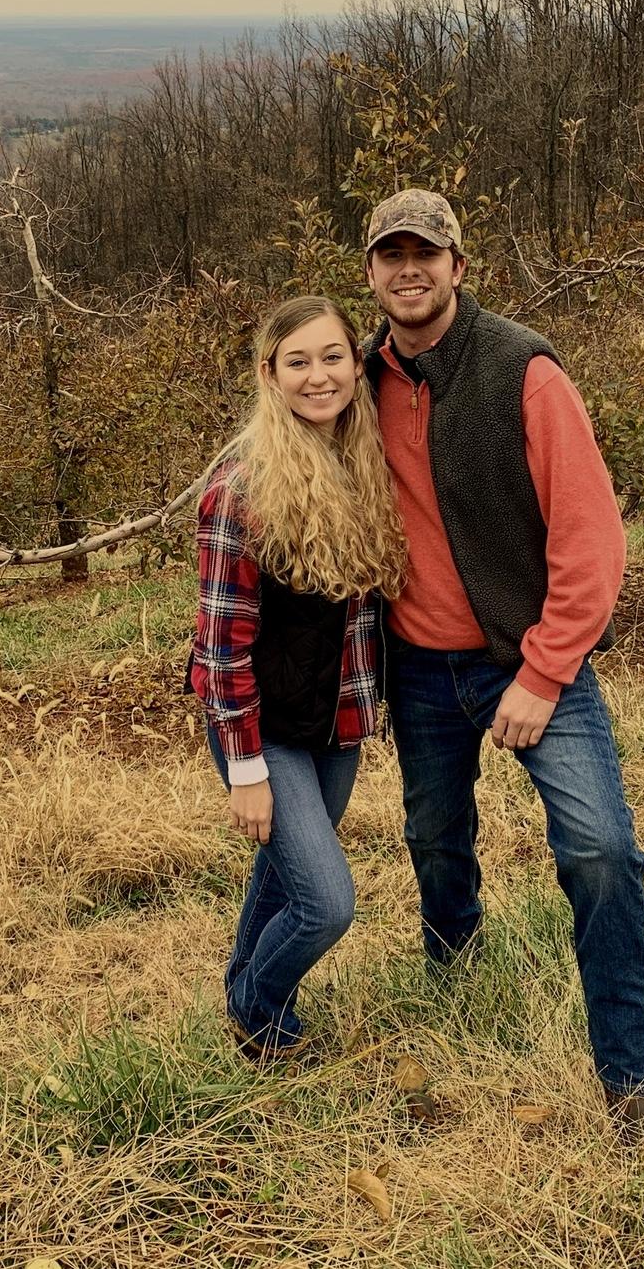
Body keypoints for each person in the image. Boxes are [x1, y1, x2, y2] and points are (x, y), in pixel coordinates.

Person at [360, 188, 644, 1136]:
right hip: (416, 665)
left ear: (459, 265)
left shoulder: (522, 372)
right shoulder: (356, 377)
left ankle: (632, 1082)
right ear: (370, 272)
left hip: (529, 661)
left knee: (602, 852)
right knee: (434, 836)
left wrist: (540, 673)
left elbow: (591, 540)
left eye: (428, 253)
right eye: (390, 254)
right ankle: (456, 972)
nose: (410, 269)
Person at [190, 295, 408, 1062]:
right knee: (324, 903)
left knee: (285, 878)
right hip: (266, 731)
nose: (319, 376)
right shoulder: (241, 488)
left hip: (336, 726)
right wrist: (245, 769)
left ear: (357, 364)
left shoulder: (364, 466)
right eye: (298, 361)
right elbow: (219, 647)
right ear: (268, 374)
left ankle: (255, 1017)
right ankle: (255, 1007)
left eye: (333, 357)